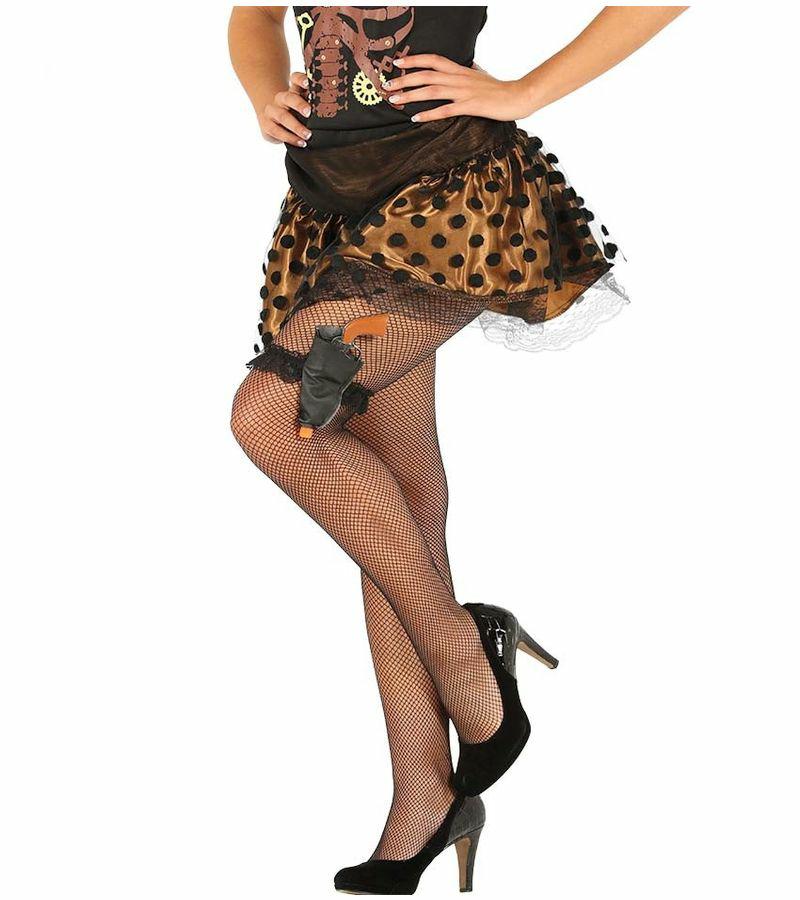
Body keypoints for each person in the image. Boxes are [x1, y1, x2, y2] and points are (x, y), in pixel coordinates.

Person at [228, 6, 686, 893]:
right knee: (393, 497)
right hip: (331, 208)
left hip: (449, 200)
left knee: (273, 418)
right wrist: (263, 88)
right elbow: (251, 13)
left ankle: (465, 652)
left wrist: (525, 91)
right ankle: (424, 797)